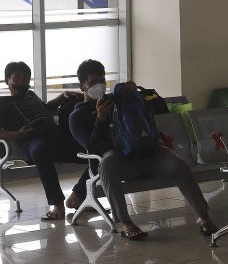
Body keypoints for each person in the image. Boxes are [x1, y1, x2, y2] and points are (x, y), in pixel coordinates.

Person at [68, 59, 218, 240]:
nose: (98, 86)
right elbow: (91, 146)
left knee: (178, 164)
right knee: (107, 163)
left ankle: (203, 216)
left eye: (102, 81)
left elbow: (147, 117)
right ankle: (125, 222)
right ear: (82, 86)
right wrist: (100, 119)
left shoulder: (117, 99)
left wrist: (134, 96)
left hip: (145, 152)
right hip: (119, 160)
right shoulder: (77, 116)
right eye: (92, 83)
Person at [0, 61, 89, 220]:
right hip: (30, 140)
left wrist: (63, 96)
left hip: (54, 136)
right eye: (17, 78)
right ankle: (57, 203)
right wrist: (16, 134)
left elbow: (47, 109)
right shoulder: (3, 104)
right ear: (7, 80)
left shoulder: (31, 95)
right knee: (40, 150)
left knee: (93, 152)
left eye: (26, 79)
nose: (22, 82)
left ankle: (78, 195)